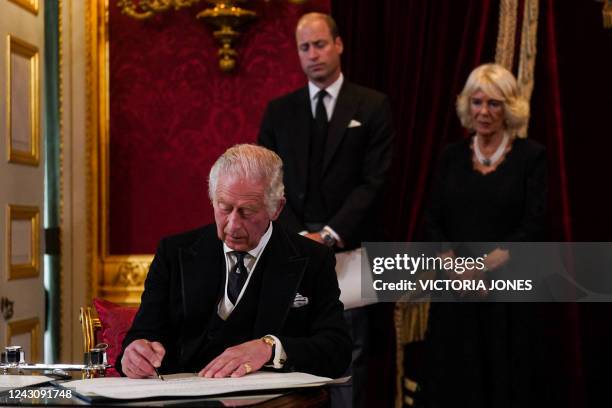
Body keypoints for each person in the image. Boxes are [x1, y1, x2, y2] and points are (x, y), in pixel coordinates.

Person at [116, 144, 351, 380]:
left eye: (247, 211)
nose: (233, 225)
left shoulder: (313, 258)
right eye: (224, 207)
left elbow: (337, 351)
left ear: (276, 208)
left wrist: (270, 348)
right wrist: (134, 354)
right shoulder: (174, 252)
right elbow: (142, 335)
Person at [258, 12, 394, 408]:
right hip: (291, 249)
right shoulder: (279, 111)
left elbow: (375, 182)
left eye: (320, 44)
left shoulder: (371, 105)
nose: (313, 54)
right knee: (294, 352)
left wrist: (330, 235)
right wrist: (300, 238)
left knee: (352, 354)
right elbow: (266, 183)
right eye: (305, 47)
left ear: (338, 45)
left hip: (350, 252)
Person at [422, 63, 547, 407]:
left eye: (494, 103)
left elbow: (535, 225)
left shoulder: (532, 157)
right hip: (455, 291)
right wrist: (454, 266)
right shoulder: (450, 157)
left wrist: (483, 267)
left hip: (508, 296)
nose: (484, 112)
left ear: (509, 108)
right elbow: (432, 220)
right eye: (477, 102)